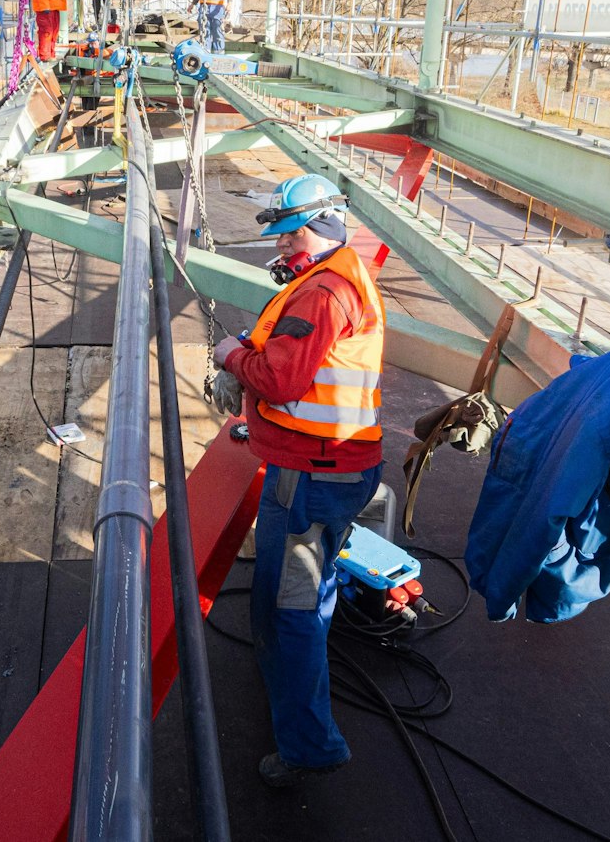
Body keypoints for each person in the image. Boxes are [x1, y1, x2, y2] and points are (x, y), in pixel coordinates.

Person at [212, 174, 386, 790]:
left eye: (288, 239)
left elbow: (281, 380)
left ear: (315, 230)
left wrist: (232, 356)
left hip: (313, 477)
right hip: (333, 467)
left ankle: (312, 747)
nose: (281, 252)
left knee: (295, 609)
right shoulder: (340, 274)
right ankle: (281, 679)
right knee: (295, 591)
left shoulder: (321, 294)